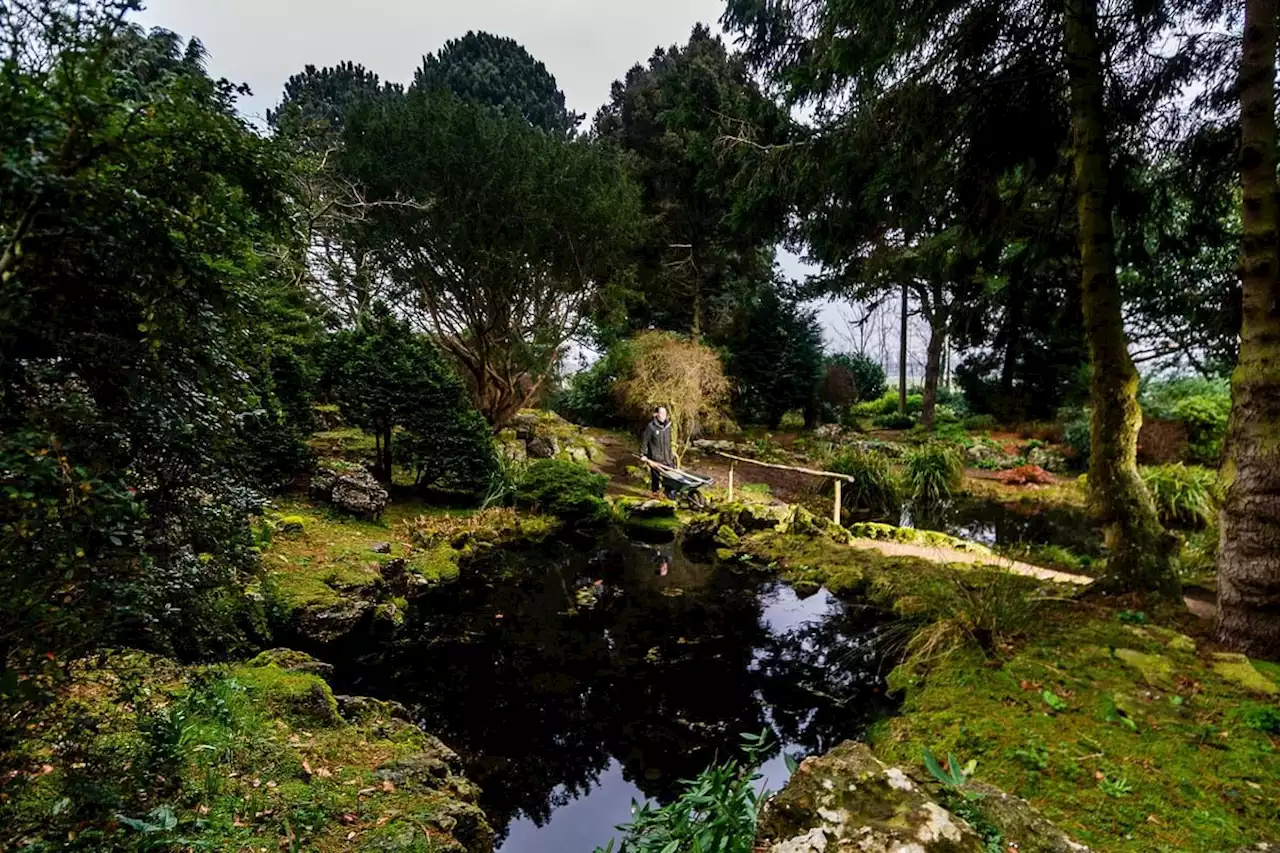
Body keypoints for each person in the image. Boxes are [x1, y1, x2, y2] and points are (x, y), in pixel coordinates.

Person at [639, 406, 675, 496]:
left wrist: (671, 453)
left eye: (665, 413)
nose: (664, 415)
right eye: (661, 413)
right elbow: (645, 440)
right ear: (656, 414)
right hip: (656, 458)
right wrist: (642, 454)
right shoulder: (651, 427)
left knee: (670, 477)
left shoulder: (668, 427)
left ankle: (669, 495)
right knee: (656, 478)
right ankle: (655, 494)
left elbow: (669, 442)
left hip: (667, 458)